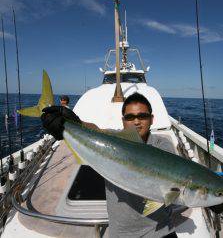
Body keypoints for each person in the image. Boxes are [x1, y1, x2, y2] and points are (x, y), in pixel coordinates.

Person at [41, 93, 178, 237]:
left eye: (142, 116)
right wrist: (73, 123)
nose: (136, 121)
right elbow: (97, 131)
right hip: (120, 234)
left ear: (151, 119)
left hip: (161, 230)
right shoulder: (114, 139)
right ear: (123, 121)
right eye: (130, 117)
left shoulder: (163, 145)